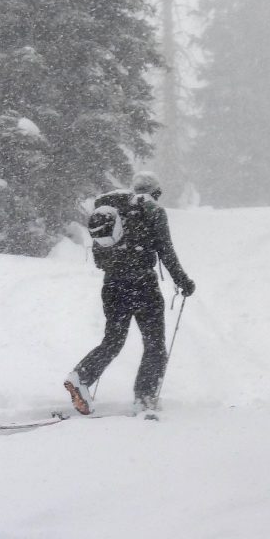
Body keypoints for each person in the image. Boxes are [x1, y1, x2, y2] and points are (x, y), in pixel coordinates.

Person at [64, 172, 195, 415]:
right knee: (154, 344)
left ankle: (80, 377)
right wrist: (183, 281)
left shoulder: (113, 211)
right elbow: (166, 251)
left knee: (113, 341)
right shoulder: (152, 210)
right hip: (143, 285)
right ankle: (145, 398)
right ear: (155, 192)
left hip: (112, 285)